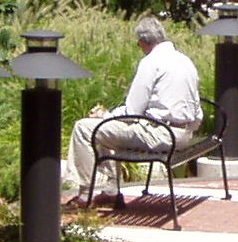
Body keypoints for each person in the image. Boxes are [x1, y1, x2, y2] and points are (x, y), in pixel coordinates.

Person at [67, 16, 203, 205]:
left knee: (85, 128)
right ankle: (111, 190)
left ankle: (85, 195)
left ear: (143, 42)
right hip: (183, 135)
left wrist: (105, 115)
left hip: (159, 136)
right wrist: (188, 129)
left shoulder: (151, 62)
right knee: (106, 129)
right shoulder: (185, 61)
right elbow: (197, 110)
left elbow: (133, 110)